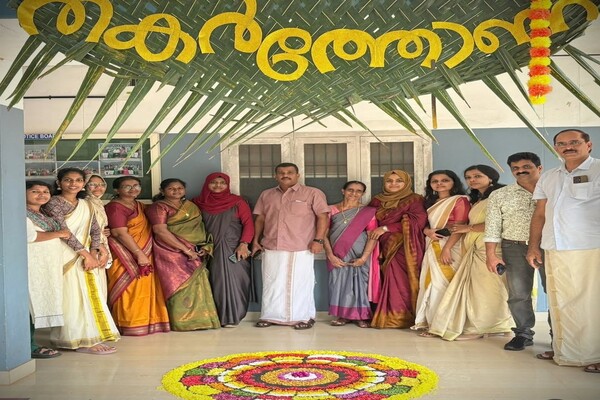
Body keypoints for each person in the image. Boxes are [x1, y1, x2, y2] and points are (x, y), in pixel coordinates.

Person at [527, 129, 600, 373]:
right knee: (562, 301)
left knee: (593, 303)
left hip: (590, 246)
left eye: (574, 142)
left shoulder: (598, 169)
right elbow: (540, 213)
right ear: (555, 148)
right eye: (561, 143)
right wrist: (534, 246)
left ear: (588, 145)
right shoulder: (549, 176)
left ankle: (595, 353)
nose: (568, 147)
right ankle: (567, 350)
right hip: (555, 247)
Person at [428, 165, 513, 340]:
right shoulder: (478, 198)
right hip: (475, 247)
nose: (472, 180)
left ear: (491, 177)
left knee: (490, 289)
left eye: (477, 176)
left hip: (491, 248)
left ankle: (483, 327)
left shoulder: (500, 195)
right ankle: (496, 326)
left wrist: (468, 228)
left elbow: (503, 223)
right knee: (483, 289)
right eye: (468, 177)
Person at [43, 168, 120, 354]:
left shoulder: (86, 204)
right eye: (68, 180)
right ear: (59, 183)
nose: (73, 184)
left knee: (88, 294)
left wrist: (94, 251)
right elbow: (64, 232)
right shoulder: (54, 203)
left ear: (83, 183)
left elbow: (95, 229)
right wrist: (86, 255)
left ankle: (90, 335)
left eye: (78, 180)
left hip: (86, 254)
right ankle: (75, 339)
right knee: (71, 296)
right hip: (65, 254)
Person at [251, 163, 329, 330]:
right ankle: (270, 316)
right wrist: (255, 240)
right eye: (281, 172)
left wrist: (319, 240)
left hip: (301, 246)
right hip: (272, 245)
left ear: (297, 175)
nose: (285, 175)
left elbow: (323, 217)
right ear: (276, 176)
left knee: (301, 283)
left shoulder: (312, 193)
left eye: (289, 172)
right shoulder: (266, 195)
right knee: (272, 282)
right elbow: (260, 219)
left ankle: (304, 317)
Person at [484, 153, 547, 351]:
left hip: (549, 246)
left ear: (539, 168)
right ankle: (523, 334)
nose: (521, 171)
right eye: (515, 168)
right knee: (518, 293)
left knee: (554, 291)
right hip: (514, 247)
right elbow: (492, 226)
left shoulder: (553, 190)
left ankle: (560, 336)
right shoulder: (500, 195)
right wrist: (491, 254)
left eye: (526, 166)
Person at [146, 178, 220, 331]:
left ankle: (202, 320)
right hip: (170, 252)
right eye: (171, 188)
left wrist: (204, 246)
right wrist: (185, 250)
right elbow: (160, 231)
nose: (176, 191)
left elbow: (200, 228)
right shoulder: (158, 207)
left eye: (180, 188)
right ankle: (182, 322)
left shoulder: (191, 206)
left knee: (198, 285)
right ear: (162, 191)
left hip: (195, 251)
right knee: (178, 284)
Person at [105, 177, 170, 335]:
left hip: (144, 253)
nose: (132, 189)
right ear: (117, 190)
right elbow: (119, 233)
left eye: (136, 186)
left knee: (145, 288)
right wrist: (139, 254)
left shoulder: (139, 205)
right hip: (125, 255)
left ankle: (148, 322)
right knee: (130, 289)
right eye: (127, 186)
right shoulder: (115, 207)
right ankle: (130, 324)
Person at [193, 172, 255, 327]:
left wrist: (244, 244)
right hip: (208, 249)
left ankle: (233, 316)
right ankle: (214, 316)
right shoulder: (197, 203)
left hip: (233, 248)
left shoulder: (237, 202)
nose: (218, 185)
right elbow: (192, 226)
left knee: (236, 281)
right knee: (214, 282)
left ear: (227, 185)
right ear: (207, 184)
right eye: (213, 182)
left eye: (222, 183)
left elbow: (248, 224)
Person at [368, 170, 427, 329]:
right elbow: (368, 220)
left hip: (403, 246)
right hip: (380, 246)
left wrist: (386, 228)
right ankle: (387, 315)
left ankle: (401, 317)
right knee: (383, 279)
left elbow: (418, 222)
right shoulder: (377, 200)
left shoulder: (414, 199)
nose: (393, 184)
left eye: (399, 180)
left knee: (399, 279)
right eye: (390, 181)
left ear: (406, 183)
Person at [413, 170, 470, 335]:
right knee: (431, 283)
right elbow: (424, 225)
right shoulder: (429, 202)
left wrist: (447, 249)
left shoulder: (460, 200)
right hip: (432, 244)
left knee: (445, 284)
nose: (439, 184)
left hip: (452, 246)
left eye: (445, 180)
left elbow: (459, 227)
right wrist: (427, 231)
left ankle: (447, 325)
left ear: (453, 182)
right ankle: (432, 323)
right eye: (435, 181)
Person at [324, 181, 379, 328]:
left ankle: (361, 316)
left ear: (363, 194)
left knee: (360, 284)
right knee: (339, 284)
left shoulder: (368, 212)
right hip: (337, 254)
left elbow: (372, 236)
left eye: (358, 191)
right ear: (343, 191)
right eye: (350, 190)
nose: (354, 193)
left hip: (360, 253)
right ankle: (343, 316)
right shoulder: (330, 210)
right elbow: (323, 235)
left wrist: (364, 257)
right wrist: (330, 256)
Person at [25, 180, 71, 359]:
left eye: (45, 191)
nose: (41, 195)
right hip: (31, 265)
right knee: (28, 304)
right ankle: (28, 347)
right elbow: (30, 236)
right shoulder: (21, 213)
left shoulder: (43, 214)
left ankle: (31, 344)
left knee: (36, 303)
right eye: (35, 191)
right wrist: (59, 233)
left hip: (45, 267)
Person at [84, 173, 112, 299]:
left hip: (100, 245)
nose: (98, 188)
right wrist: (101, 249)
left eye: (101, 184)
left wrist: (105, 231)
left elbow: (98, 226)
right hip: (91, 248)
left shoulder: (98, 202)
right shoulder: (85, 203)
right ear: (85, 185)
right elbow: (85, 229)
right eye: (93, 184)